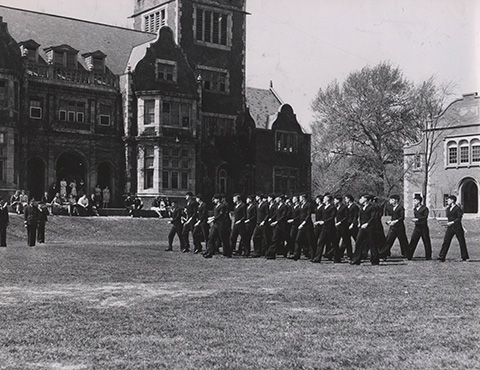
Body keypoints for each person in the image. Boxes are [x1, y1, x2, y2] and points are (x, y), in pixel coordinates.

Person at [438, 195, 469, 262]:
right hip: (450, 228)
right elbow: (448, 217)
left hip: (457, 227)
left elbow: (459, 218)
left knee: (461, 242)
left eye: (448, 200)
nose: (447, 201)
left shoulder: (458, 209)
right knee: (446, 241)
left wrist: (452, 222)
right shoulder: (448, 209)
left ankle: (464, 256)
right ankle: (442, 256)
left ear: (452, 200)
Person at [351, 195, 378, 265]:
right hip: (362, 228)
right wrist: (360, 223)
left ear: (366, 199)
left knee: (373, 243)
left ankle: (375, 260)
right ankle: (356, 259)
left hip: (370, 228)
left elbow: (373, 217)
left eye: (361, 198)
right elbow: (360, 217)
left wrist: (367, 224)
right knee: (358, 242)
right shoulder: (362, 208)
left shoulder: (372, 208)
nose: (360, 199)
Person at [379, 195, 409, 259]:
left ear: (396, 200)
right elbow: (393, 217)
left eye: (392, 200)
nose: (390, 201)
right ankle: (383, 254)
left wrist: (394, 221)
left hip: (400, 228)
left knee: (403, 241)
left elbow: (402, 217)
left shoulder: (400, 208)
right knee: (388, 240)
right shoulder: (392, 207)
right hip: (393, 227)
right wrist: (390, 221)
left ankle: (408, 254)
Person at [204, 194, 231, 258]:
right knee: (211, 237)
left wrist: (213, 219)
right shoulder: (215, 207)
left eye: (215, 199)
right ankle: (210, 252)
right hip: (216, 225)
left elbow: (221, 215)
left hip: (221, 225)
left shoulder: (222, 206)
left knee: (224, 239)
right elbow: (216, 215)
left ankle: (227, 253)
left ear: (218, 199)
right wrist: (212, 218)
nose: (214, 200)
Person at [312, 194, 337, 263]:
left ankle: (337, 257)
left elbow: (332, 217)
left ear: (328, 199)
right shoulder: (324, 207)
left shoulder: (332, 208)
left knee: (334, 243)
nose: (323, 199)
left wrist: (323, 221)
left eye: (325, 198)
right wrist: (319, 222)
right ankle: (317, 258)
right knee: (320, 242)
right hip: (324, 228)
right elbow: (323, 216)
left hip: (331, 228)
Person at [407, 194, 432, 260]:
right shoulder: (415, 209)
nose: (414, 202)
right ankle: (409, 256)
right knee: (413, 241)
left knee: (426, 242)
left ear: (419, 201)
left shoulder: (425, 208)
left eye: (415, 201)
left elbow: (425, 217)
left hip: (423, 228)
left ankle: (428, 256)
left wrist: (418, 219)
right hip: (417, 227)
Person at [265, 194, 288, 260]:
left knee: (287, 239)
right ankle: (271, 254)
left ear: (280, 199)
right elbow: (277, 214)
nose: (276, 199)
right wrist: (272, 219)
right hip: (278, 226)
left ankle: (286, 251)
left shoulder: (284, 206)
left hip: (282, 226)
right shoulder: (278, 206)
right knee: (275, 239)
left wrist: (276, 222)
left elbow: (283, 216)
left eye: (277, 198)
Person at [291, 193, 313, 261]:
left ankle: (312, 255)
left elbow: (308, 215)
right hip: (301, 225)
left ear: (303, 198)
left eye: (300, 198)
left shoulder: (308, 205)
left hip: (307, 226)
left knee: (310, 241)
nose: (299, 199)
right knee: (298, 240)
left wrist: (303, 223)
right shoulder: (301, 205)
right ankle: (296, 255)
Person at [251, 193, 269, 258]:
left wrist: (264, 221)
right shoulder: (257, 205)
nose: (256, 198)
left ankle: (266, 252)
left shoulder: (265, 205)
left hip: (263, 224)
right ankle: (257, 252)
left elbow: (267, 214)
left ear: (259, 197)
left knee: (265, 238)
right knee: (255, 237)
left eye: (256, 197)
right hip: (258, 223)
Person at [333, 195, 349, 262]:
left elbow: (346, 217)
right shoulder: (336, 207)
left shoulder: (344, 207)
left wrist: (340, 222)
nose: (334, 201)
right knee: (336, 241)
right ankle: (337, 257)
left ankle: (350, 255)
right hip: (337, 227)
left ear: (338, 200)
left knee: (346, 241)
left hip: (343, 227)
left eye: (335, 200)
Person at [343, 194, 359, 260]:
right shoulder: (347, 206)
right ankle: (349, 254)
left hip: (352, 225)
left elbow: (355, 216)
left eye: (346, 198)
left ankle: (361, 253)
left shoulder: (354, 206)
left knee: (357, 239)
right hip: (347, 224)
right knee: (346, 240)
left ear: (349, 199)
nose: (345, 200)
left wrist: (353, 224)